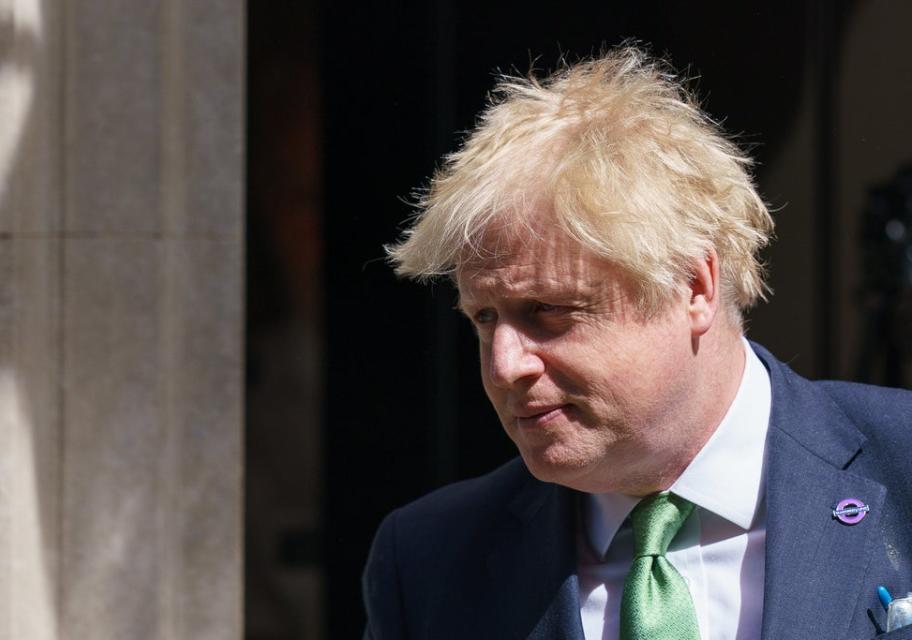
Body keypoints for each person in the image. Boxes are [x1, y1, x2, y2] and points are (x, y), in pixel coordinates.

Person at [362, 47, 912, 639]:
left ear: (693, 287)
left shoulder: (899, 466)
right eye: (485, 318)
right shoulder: (428, 561)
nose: (504, 366)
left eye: (548, 311)